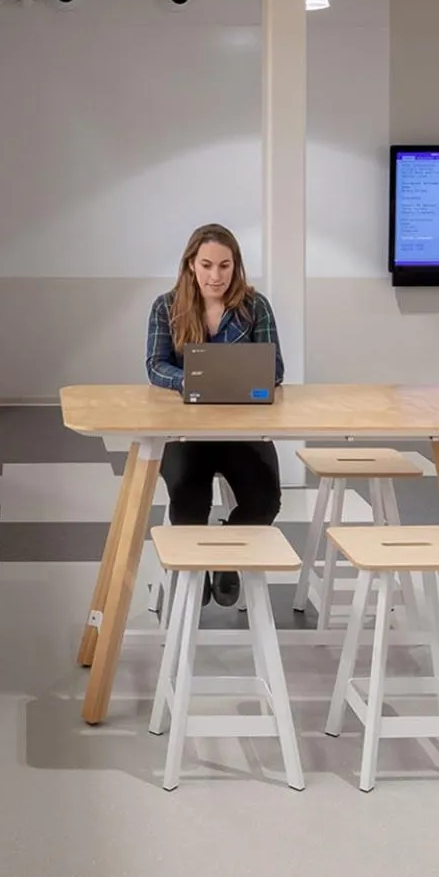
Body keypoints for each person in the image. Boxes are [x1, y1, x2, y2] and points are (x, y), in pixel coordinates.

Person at [145, 221, 283, 607]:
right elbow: (155, 366)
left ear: (235, 265)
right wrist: (194, 380)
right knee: (188, 507)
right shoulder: (166, 306)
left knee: (266, 501)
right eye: (207, 265)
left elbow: (275, 370)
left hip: (243, 432)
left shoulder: (255, 307)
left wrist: (227, 377)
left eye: (224, 266)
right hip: (187, 433)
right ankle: (197, 568)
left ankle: (225, 561)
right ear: (191, 264)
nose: (216, 275)